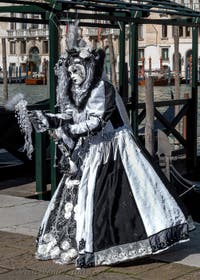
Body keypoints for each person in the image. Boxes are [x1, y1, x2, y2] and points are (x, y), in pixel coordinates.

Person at [28, 26, 190, 269]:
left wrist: (70, 129)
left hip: (114, 147)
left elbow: (96, 120)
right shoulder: (79, 89)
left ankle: (111, 241)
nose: (72, 75)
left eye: (76, 70)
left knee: (115, 192)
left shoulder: (103, 89)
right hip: (92, 148)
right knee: (83, 191)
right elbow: (71, 114)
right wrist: (49, 118)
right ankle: (78, 240)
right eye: (70, 71)